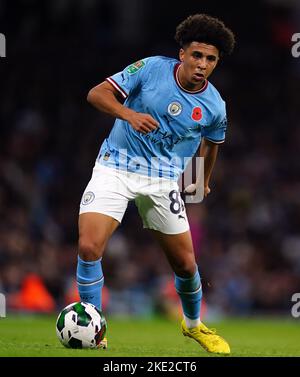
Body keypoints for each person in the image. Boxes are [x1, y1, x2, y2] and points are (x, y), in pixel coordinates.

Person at [76, 14, 235, 354]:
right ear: (182, 54)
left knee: (186, 265)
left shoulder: (215, 106)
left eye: (210, 59)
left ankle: (194, 326)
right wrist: (129, 115)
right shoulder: (150, 69)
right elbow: (96, 94)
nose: (202, 64)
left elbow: (210, 146)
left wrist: (200, 182)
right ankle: (94, 329)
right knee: (90, 248)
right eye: (197, 55)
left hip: (162, 181)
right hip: (115, 167)